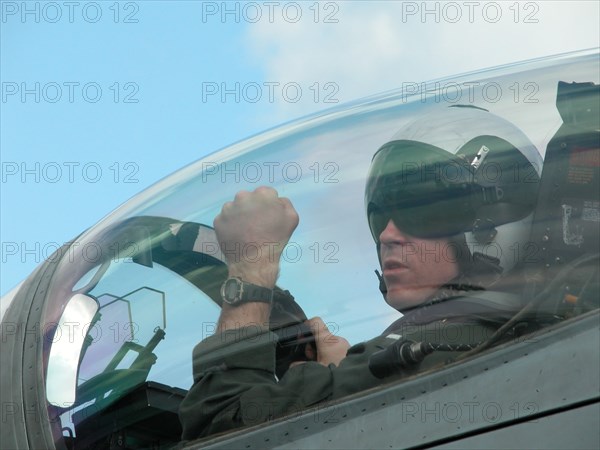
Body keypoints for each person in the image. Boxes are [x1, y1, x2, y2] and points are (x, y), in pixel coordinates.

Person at [178, 106, 543, 439]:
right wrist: (341, 374)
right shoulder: (493, 343)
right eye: (381, 214)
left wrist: (251, 265)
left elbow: (219, 427)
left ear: (492, 228)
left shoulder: (443, 352)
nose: (387, 235)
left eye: (421, 212)